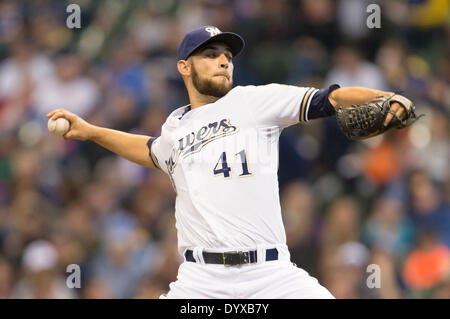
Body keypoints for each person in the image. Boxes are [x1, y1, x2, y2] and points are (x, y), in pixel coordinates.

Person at [46, 26, 408, 298]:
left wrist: (388, 97)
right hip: (201, 283)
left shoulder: (255, 102)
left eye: (228, 55)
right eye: (211, 53)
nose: (223, 60)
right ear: (184, 67)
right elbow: (152, 150)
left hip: (270, 276)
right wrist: (91, 131)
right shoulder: (175, 126)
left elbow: (331, 98)